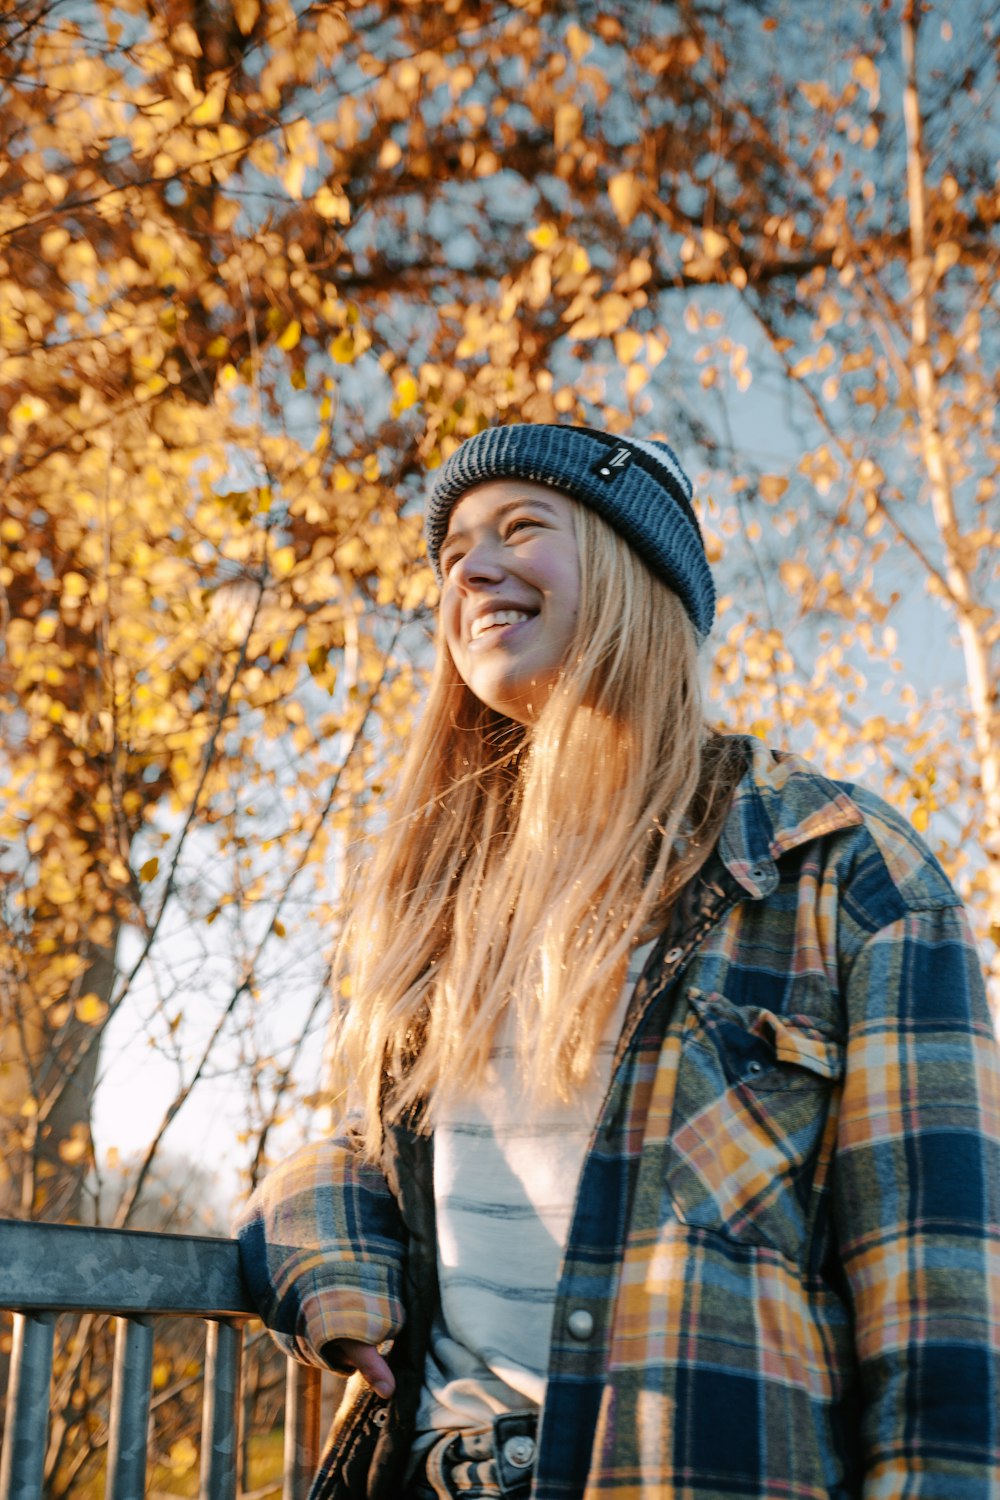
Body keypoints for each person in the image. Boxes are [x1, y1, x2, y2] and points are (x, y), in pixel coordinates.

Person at [237, 423, 1000, 1500]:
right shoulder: (444, 902)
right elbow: (372, 1154)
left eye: (520, 529)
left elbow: (942, 1306)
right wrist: (329, 1244)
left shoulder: (843, 875)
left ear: (639, 574)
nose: (472, 570)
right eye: (453, 551)